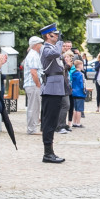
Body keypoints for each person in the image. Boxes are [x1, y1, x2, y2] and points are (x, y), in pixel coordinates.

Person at [39, 24, 66, 163]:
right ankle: (47, 153)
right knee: (49, 122)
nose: (57, 36)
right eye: (55, 34)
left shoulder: (51, 48)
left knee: (52, 121)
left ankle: (50, 152)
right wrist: (60, 42)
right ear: (48, 36)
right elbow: (54, 54)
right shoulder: (46, 48)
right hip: (51, 89)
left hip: (56, 89)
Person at [22, 36, 43, 134]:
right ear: (36, 45)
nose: (41, 45)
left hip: (32, 84)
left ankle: (32, 128)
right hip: (33, 84)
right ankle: (32, 129)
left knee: (34, 107)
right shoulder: (33, 55)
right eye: (40, 44)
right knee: (33, 107)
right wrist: (38, 84)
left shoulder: (33, 54)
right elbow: (33, 72)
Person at [70, 58, 86, 127]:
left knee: (74, 109)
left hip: (73, 92)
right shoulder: (81, 74)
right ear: (80, 65)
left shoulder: (73, 74)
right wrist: (85, 91)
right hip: (80, 93)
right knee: (79, 109)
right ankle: (78, 123)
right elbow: (82, 84)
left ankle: (74, 122)